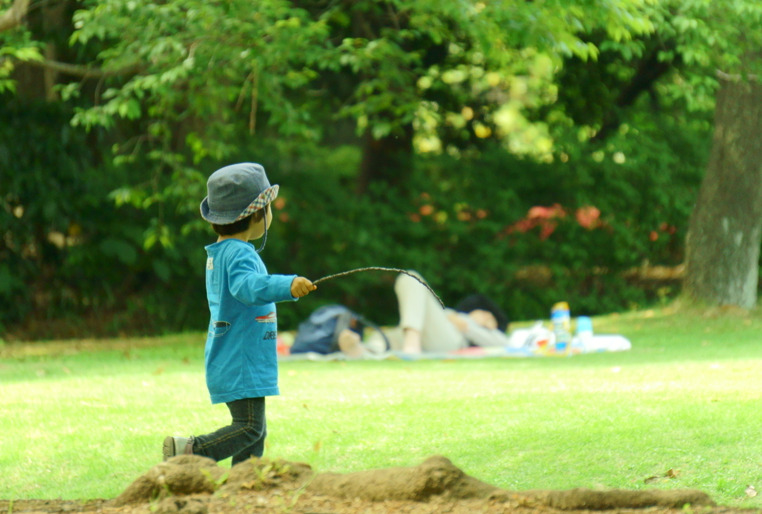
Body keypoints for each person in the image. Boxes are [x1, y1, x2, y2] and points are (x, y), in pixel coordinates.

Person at [163, 162, 316, 464]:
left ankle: (244, 484)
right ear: (258, 214)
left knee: (255, 431)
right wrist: (288, 285)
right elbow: (247, 286)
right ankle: (190, 452)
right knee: (248, 427)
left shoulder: (221, 252)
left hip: (234, 355)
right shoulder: (239, 252)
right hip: (241, 357)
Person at [338, 272, 509, 356]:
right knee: (385, 337)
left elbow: (505, 344)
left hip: (449, 341)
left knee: (411, 277)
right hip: (426, 330)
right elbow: (438, 314)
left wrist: (470, 326)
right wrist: (451, 315)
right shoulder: (452, 314)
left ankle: (412, 345)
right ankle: (363, 351)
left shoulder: (480, 327)